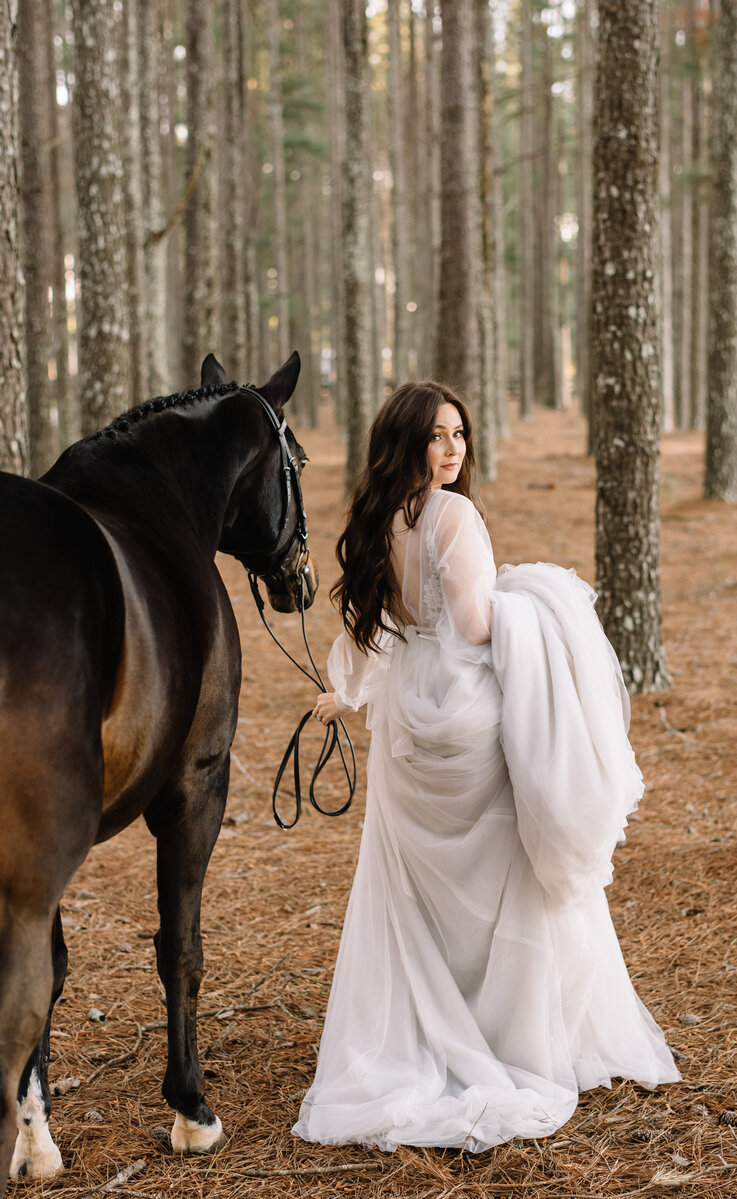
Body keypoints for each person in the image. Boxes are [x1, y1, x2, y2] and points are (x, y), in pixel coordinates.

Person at [292, 382, 680, 1153]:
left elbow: (380, 632)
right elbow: (472, 625)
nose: (454, 448)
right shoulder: (453, 515)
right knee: (506, 877)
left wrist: (346, 694)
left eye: (460, 433)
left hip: (408, 719)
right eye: (438, 435)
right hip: (465, 710)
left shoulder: (380, 520)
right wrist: (541, 603)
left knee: (421, 894)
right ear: (408, 442)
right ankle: (513, 1038)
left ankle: (435, 1030)